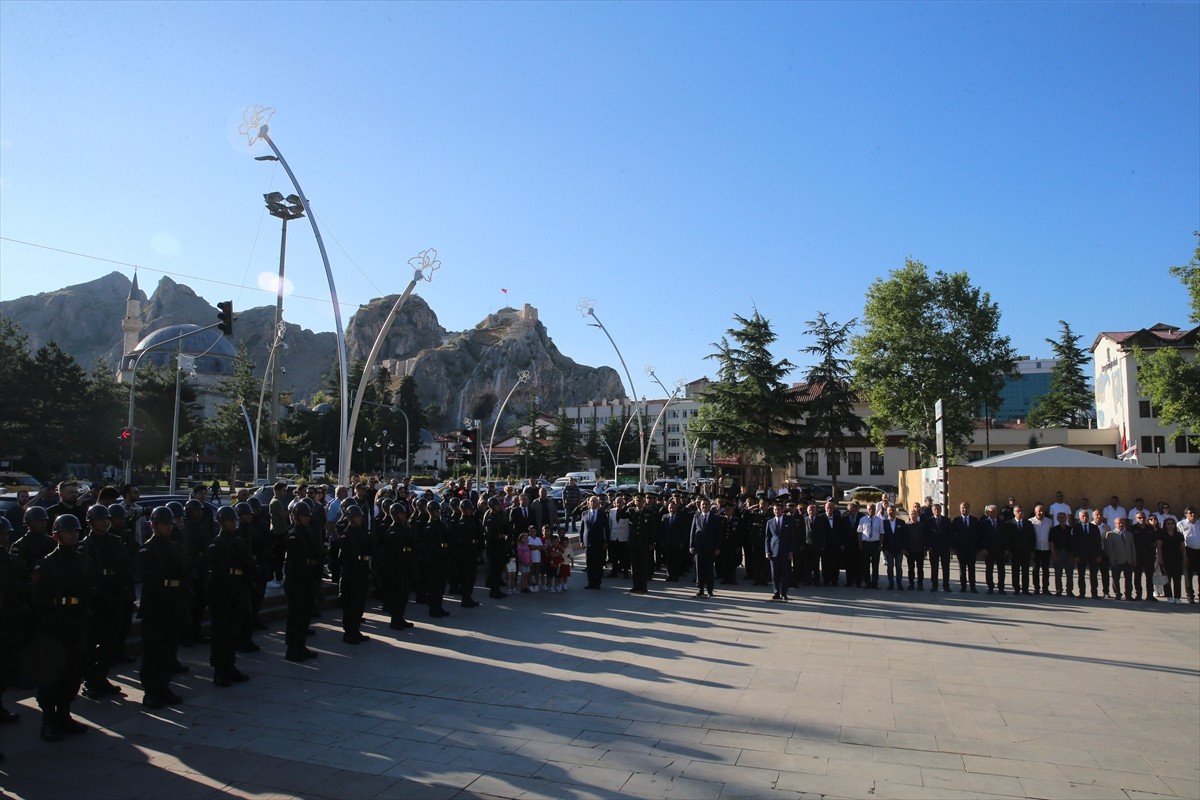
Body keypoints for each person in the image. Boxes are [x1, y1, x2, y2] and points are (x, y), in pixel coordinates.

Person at [31, 514, 91, 742]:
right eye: (68, 531)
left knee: (73, 672)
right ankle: (49, 719)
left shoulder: (81, 561)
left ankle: (64, 713)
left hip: (75, 623)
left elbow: (86, 593)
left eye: (76, 531)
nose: (73, 535)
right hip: (53, 627)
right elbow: (40, 601)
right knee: (51, 675)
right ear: (56, 535)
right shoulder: (45, 564)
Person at [136, 507, 186, 709]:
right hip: (156, 606)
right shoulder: (147, 550)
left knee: (168, 649)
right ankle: (151, 691)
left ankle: (164, 686)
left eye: (169, 524)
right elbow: (153, 581)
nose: (167, 527)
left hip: (173, 605)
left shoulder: (173, 546)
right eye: (163, 524)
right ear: (153, 526)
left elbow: (182, 574)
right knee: (152, 651)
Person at [79, 504, 130, 700]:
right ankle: (90, 681)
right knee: (91, 644)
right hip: (97, 600)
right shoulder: (85, 545)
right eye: (100, 519)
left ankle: (101, 677)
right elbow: (87, 575)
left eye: (106, 518)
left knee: (111, 643)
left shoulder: (115, 541)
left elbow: (125, 565)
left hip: (114, 596)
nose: (104, 522)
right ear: (90, 522)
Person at [207, 506, 253, 684]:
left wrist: (244, 587)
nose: (233, 523)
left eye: (234, 520)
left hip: (237, 590)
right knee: (220, 633)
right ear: (220, 522)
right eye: (229, 520)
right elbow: (220, 573)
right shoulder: (216, 544)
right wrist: (233, 591)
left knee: (233, 632)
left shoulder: (239, 541)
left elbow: (247, 565)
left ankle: (230, 664)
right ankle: (219, 669)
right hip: (221, 593)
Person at [284, 501, 322, 662]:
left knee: (305, 616)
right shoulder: (293, 534)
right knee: (296, 617)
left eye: (307, 516)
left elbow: (317, 554)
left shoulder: (309, 532)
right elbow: (299, 562)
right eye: (303, 516)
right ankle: (292, 649)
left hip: (309, 578)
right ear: (295, 517)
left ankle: (301, 645)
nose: (306, 519)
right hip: (297, 581)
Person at [0, 517, 29, 726]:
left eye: (6, 534)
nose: (4, 538)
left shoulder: (10, 559)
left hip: (9, 618)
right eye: (1, 534)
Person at [336, 505, 372, 644]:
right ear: (350, 518)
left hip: (362, 572)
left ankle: (355, 630)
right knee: (351, 606)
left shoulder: (360, 532)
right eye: (357, 517)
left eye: (361, 517)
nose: (360, 519)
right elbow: (347, 557)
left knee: (359, 605)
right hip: (351, 575)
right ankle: (349, 633)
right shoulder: (347, 534)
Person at [690, 498, 722, 598]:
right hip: (699, 547)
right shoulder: (697, 516)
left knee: (709, 569)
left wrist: (717, 547)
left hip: (710, 547)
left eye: (706, 504)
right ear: (700, 506)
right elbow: (693, 532)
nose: (704, 506)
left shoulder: (715, 518)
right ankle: (700, 589)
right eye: (702, 505)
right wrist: (691, 545)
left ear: (709, 506)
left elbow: (718, 534)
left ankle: (710, 589)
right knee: (699, 569)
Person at [764, 499, 795, 601]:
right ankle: (776, 592)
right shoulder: (770, 522)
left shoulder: (788, 521)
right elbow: (767, 538)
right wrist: (767, 551)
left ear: (782, 510)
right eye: (775, 509)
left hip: (785, 551)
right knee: (774, 574)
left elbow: (792, 537)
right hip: (773, 551)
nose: (777, 511)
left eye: (778, 509)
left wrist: (791, 551)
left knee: (785, 573)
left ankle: (784, 593)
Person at [1072, 509, 1103, 599]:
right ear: (1079, 517)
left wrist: (1099, 555)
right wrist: (1076, 555)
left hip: (1092, 555)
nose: (1085, 518)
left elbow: (1098, 542)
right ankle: (1082, 593)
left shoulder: (1094, 527)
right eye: (1083, 516)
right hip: (1081, 555)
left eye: (1086, 516)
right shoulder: (1076, 528)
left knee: (1093, 574)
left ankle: (1094, 593)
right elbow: (1074, 543)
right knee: (1081, 575)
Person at [1129, 510, 1159, 602]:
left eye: (1143, 517)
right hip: (1137, 556)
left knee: (1149, 576)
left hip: (1149, 556)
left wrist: (1154, 554)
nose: (1142, 519)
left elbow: (1154, 542)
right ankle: (1138, 595)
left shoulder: (1150, 528)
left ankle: (1150, 595)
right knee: (1137, 576)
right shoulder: (1132, 529)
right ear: (1136, 519)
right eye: (1139, 518)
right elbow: (1130, 543)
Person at [580, 496, 610, 590]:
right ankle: (590, 582)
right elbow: (582, 529)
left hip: (599, 542)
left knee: (598, 563)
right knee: (589, 564)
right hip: (588, 542)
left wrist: (606, 541)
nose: (592, 503)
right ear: (588, 503)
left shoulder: (602, 514)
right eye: (591, 501)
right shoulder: (584, 513)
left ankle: (597, 582)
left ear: (598, 503)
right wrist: (581, 541)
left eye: (595, 501)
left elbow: (607, 529)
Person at [1104, 516, 1135, 601]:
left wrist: (1134, 558)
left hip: (1128, 560)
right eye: (1118, 523)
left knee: (1129, 578)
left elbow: (1132, 547)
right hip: (1116, 560)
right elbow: (1110, 548)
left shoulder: (1129, 534)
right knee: (1116, 578)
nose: (1121, 524)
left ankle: (1128, 594)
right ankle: (1117, 594)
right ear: (1115, 524)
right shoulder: (1110, 534)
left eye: (1122, 523)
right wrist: (1112, 559)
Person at [979, 504, 1008, 595]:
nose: (993, 513)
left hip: (1000, 550)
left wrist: (1007, 549)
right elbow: (981, 537)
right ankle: (990, 587)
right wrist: (983, 548)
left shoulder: (1002, 523)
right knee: (989, 569)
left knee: (1001, 570)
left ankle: (1001, 588)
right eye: (990, 512)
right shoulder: (984, 523)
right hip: (988, 550)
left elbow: (1006, 537)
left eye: (994, 511)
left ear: (997, 512)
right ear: (987, 513)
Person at [951, 502, 979, 593]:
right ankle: (963, 586)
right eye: (962, 508)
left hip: (972, 548)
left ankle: (973, 586)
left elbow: (978, 535)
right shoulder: (956, 520)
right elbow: (953, 535)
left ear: (969, 509)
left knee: (972, 568)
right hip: (961, 548)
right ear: (960, 509)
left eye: (966, 508)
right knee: (962, 568)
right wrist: (954, 547)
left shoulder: (974, 520)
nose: (964, 509)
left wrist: (978, 547)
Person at [1158, 517, 1186, 604]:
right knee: (1167, 579)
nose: (1170, 525)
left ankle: (1177, 597)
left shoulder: (1179, 535)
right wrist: (1160, 558)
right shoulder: (1162, 534)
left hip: (1177, 558)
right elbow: (1159, 547)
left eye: (1172, 523)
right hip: (1166, 559)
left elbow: (1183, 548)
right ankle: (1169, 596)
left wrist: (1184, 558)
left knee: (1177, 578)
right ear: (1165, 525)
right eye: (1168, 523)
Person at [927, 504, 953, 592]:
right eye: (935, 509)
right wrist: (928, 546)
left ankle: (946, 585)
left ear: (941, 510)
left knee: (945, 567)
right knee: (934, 567)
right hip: (933, 548)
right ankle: (934, 585)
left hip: (945, 548)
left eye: (938, 509)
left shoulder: (946, 520)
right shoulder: (929, 521)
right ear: (932, 510)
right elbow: (927, 535)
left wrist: (950, 547)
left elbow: (950, 534)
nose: (937, 511)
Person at [1049, 512, 1076, 596]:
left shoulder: (1070, 529)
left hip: (1069, 553)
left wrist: (1073, 555)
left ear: (1066, 518)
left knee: (1069, 573)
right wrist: (1054, 554)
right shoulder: (1054, 529)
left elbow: (1074, 543)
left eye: (1063, 517)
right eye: (1060, 517)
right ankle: (1059, 589)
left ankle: (1069, 590)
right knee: (1058, 573)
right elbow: (1051, 542)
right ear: (1057, 519)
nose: (1062, 519)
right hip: (1058, 552)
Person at [880, 505, 906, 591]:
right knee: (890, 567)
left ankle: (899, 584)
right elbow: (883, 537)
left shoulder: (901, 522)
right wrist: (884, 549)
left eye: (893, 510)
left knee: (899, 567)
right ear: (887, 512)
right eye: (889, 510)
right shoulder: (884, 523)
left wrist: (903, 548)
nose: (891, 512)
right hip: (889, 550)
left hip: (899, 550)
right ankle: (891, 584)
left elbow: (904, 536)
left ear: (895, 511)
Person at [857, 503, 883, 589]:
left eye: (873, 509)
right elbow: (859, 532)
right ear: (867, 510)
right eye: (869, 509)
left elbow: (882, 533)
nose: (871, 511)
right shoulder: (862, 519)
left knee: (875, 565)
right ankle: (867, 583)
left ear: (875, 510)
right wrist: (860, 544)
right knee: (866, 564)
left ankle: (875, 583)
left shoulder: (879, 520)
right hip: (866, 544)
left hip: (875, 544)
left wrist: (880, 544)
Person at [1029, 504, 1053, 595]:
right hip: (1036, 549)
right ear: (1035, 512)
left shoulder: (1049, 522)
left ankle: (1045, 588)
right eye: (1039, 511)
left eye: (1043, 511)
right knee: (1035, 569)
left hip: (1046, 549)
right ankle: (1036, 588)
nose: (1041, 512)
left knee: (1046, 570)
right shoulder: (1030, 521)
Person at [905, 502, 927, 590]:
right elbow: (904, 539)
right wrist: (905, 549)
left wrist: (925, 550)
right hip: (910, 551)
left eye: (915, 514)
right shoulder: (906, 526)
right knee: (911, 569)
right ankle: (911, 583)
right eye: (912, 514)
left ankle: (920, 584)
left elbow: (925, 538)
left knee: (920, 569)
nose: (913, 515)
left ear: (918, 515)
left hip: (920, 550)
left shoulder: (922, 525)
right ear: (909, 516)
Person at [1181, 507, 1199, 603]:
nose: (1193, 515)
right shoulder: (1181, 524)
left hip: (1199, 551)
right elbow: (1179, 540)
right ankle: (1190, 596)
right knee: (1188, 575)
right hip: (1188, 551)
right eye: (1190, 513)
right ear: (1186, 514)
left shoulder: (1199, 523)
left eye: (1195, 513)